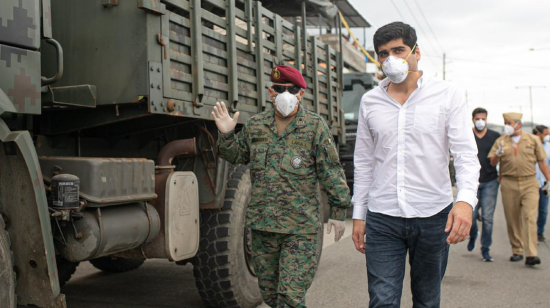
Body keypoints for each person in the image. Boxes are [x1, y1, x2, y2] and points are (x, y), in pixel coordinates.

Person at [351, 22, 480, 308]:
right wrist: (359, 213)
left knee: (427, 299)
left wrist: (465, 202)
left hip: (434, 215)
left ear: (416, 52)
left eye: (399, 50)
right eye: (384, 54)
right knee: (382, 300)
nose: (391, 59)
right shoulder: (370, 101)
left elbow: (465, 155)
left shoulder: (447, 95)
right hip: (383, 216)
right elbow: (363, 161)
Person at [212, 65, 350, 308]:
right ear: (270, 92)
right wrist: (226, 135)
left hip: (300, 229)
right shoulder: (256, 126)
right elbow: (235, 155)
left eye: (292, 89)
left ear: (301, 94)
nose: (285, 94)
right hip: (263, 228)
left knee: (290, 298)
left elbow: (331, 169)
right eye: (279, 88)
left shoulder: (314, 126)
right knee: (271, 296)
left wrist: (339, 211)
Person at [488, 113, 550, 266]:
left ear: (518, 124)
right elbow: (492, 162)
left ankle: (531, 254)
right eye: (505, 122)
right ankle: (517, 250)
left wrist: (549, 180)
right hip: (509, 183)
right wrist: (498, 154)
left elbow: (542, 162)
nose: (507, 125)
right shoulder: (501, 141)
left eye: (510, 122)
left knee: (529, 217)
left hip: (530, 182)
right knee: (512, 218)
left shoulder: (533, 139)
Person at [468, 107, 500, 261]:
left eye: (483, 118)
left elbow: (501, 157)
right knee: (471, 216)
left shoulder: (495, 136)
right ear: (473, 119)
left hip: (490, 181)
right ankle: (473, 233)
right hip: (472, 183)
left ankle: (485, 249)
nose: (480, 121)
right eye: (477, 118)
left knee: (487, 218)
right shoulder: (467, 135)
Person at [533, 125, 550, 241]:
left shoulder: (548, 147)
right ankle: (529, 233)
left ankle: (539, 232)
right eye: (546, 134)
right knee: (529, 211)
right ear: (538, 134)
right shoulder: (529, 146)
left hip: (544, 184)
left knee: (543, 210)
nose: (548, 136)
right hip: (530, 184)